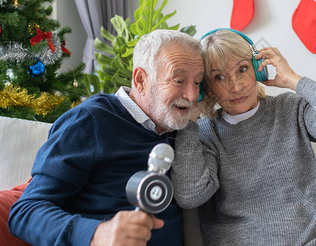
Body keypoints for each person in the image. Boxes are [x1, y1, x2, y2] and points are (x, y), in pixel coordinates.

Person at [171, 28, 316, 246]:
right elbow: (191, 195)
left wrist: (294, 81)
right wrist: (191, 120)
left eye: (242, 69)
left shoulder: (290, 109)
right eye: (219, 77)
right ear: (207, 87)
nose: (236, 86)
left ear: (257, 69)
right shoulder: (205, 132)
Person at [8, 29, 205, 246]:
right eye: (178, 80)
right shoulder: (90, 121)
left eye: (197, 82)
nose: (192, 95)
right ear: (140, 80)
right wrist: (96, 234)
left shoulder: (181, 129)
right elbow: (26, 212)